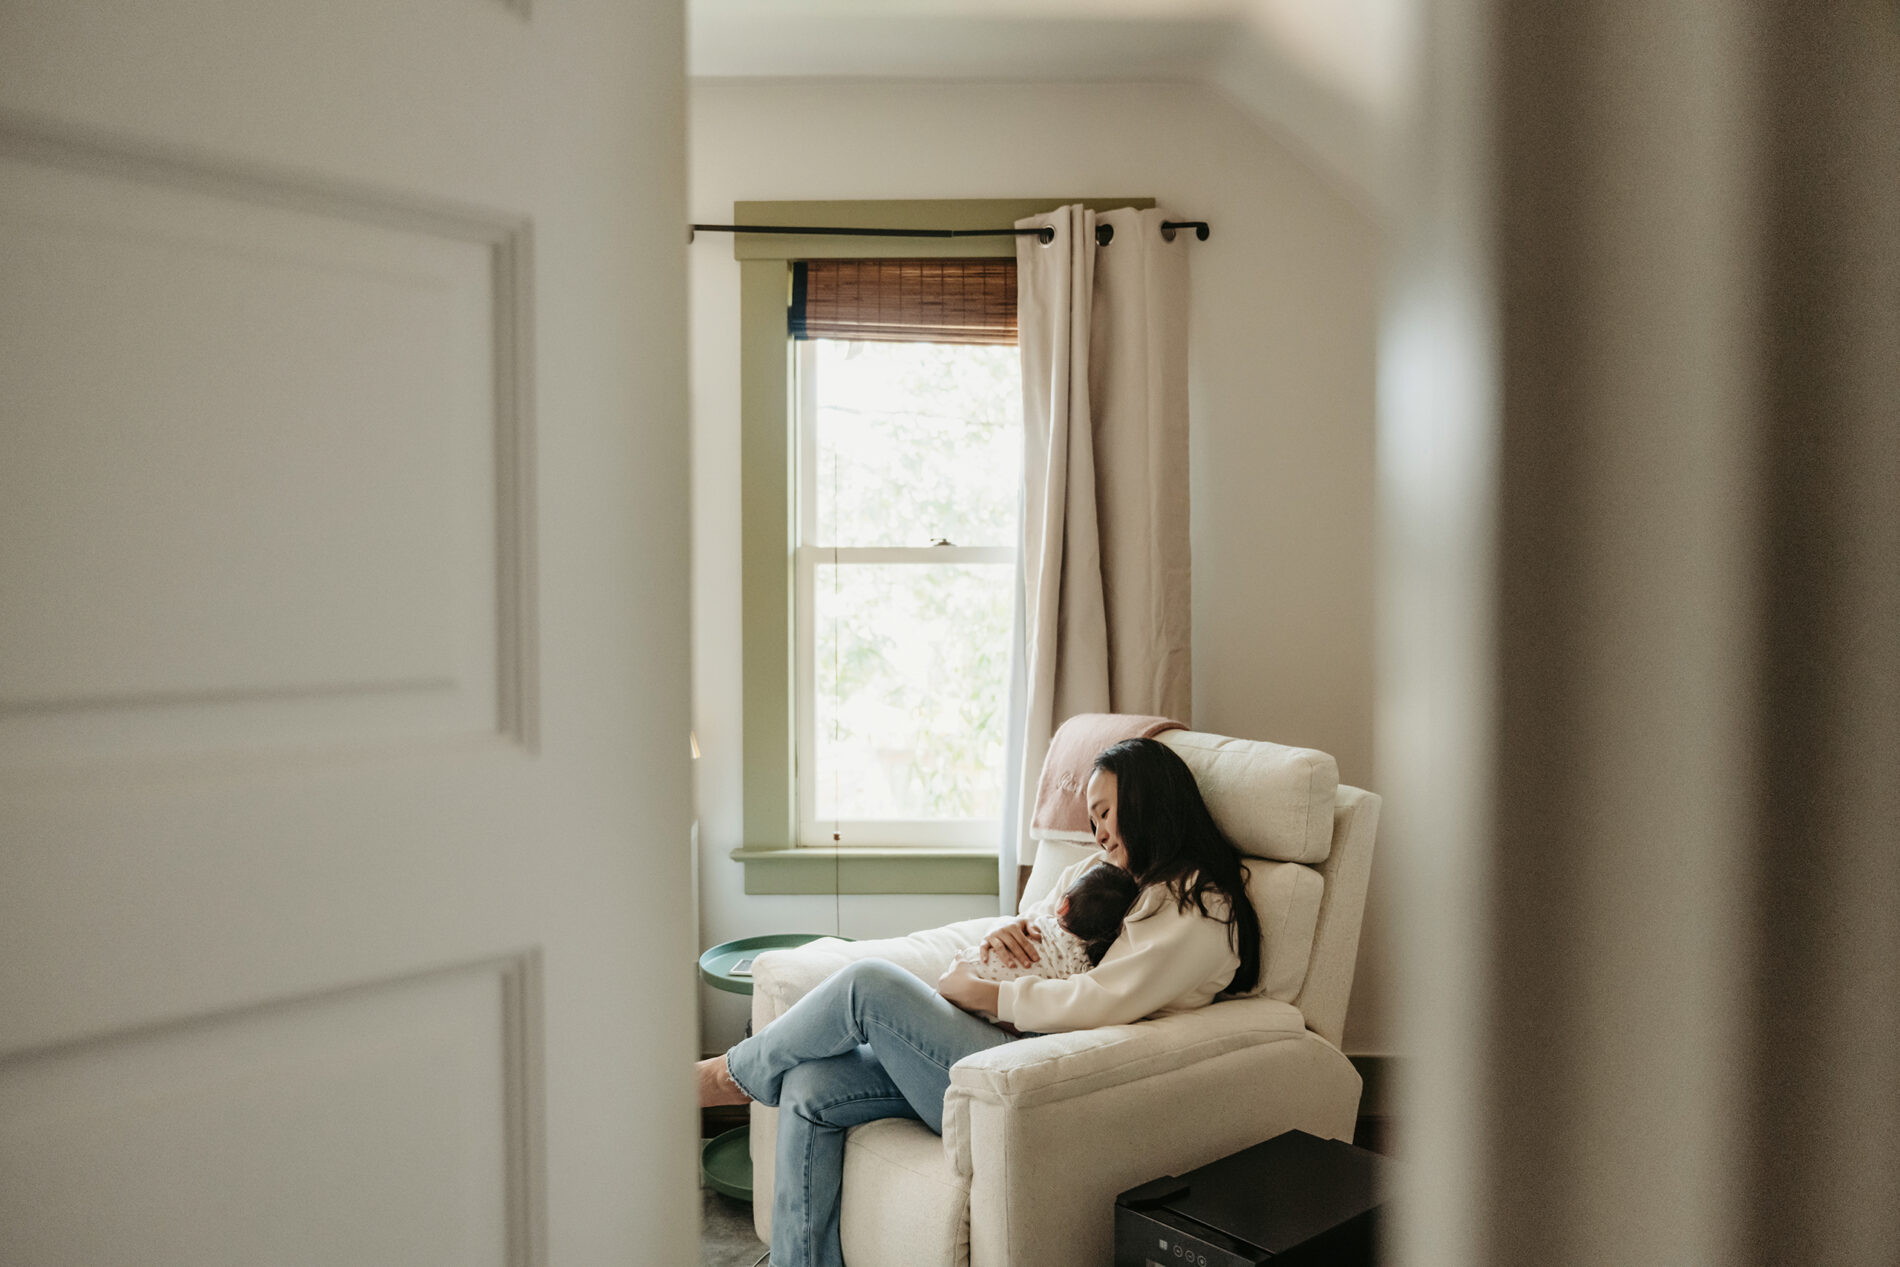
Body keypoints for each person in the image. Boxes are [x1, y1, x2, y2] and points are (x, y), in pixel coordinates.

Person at [694, 737, 1262, 1267]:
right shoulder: (1108, 873)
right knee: (809, 1087)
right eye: (1092, 819)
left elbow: (1097, 1000)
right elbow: (1036, 933)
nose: (1099, 834)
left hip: (1032, 1072)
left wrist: (984, 991)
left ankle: (729, 1074)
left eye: (1107, 812)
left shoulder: (1200, 909)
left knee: (868, 983)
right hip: (994, 1038)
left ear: (1150, 800)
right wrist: (988, 954)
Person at [950, 858, 1140, 998]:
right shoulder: (1079, 962)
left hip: (969, 963)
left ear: (1063, 905)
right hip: (990, 997)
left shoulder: (1040, 923)